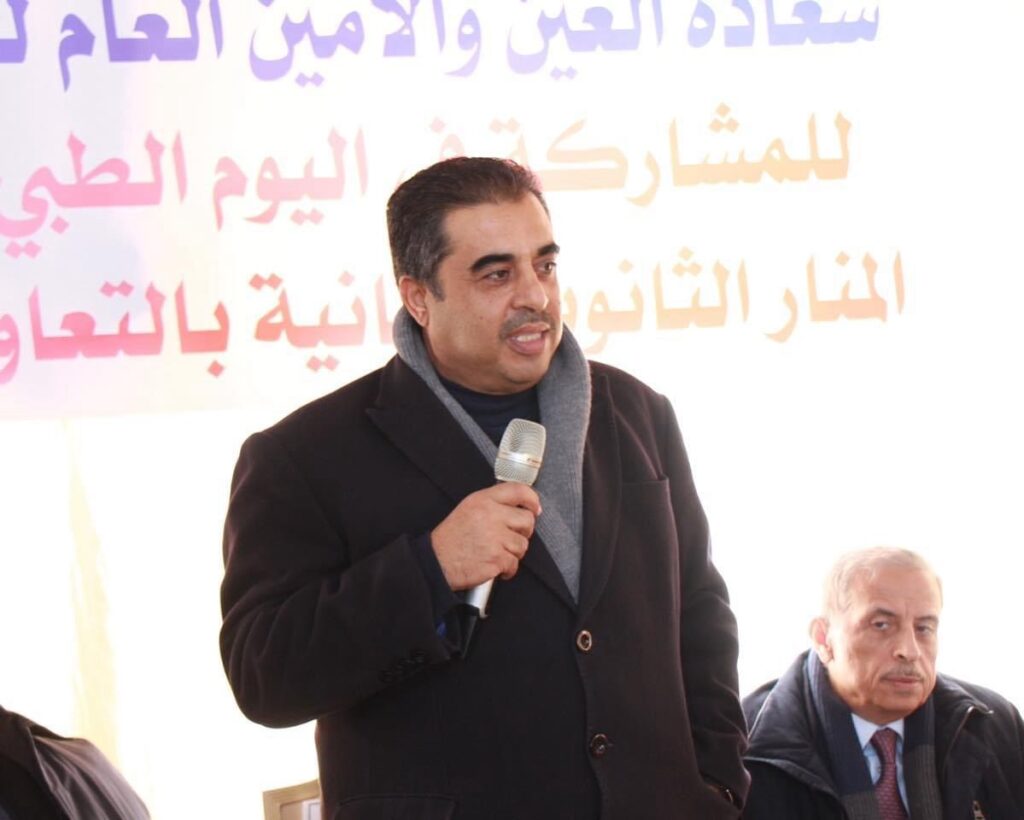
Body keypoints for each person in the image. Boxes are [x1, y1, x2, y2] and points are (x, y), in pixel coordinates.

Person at [220, 156, 748, 819]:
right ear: (419, 297)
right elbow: (264, 675)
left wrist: (718, 784)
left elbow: (700, 613)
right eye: (497, 274)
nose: (535, 296)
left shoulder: (638, 413)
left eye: (544, 265)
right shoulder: (306, 455)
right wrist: (430, 568)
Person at [742, 546, 1024, 820]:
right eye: (881, 625)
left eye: (924, 628)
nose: (909, 650)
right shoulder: (747, 743)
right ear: (823, 638)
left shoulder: (993, 724)